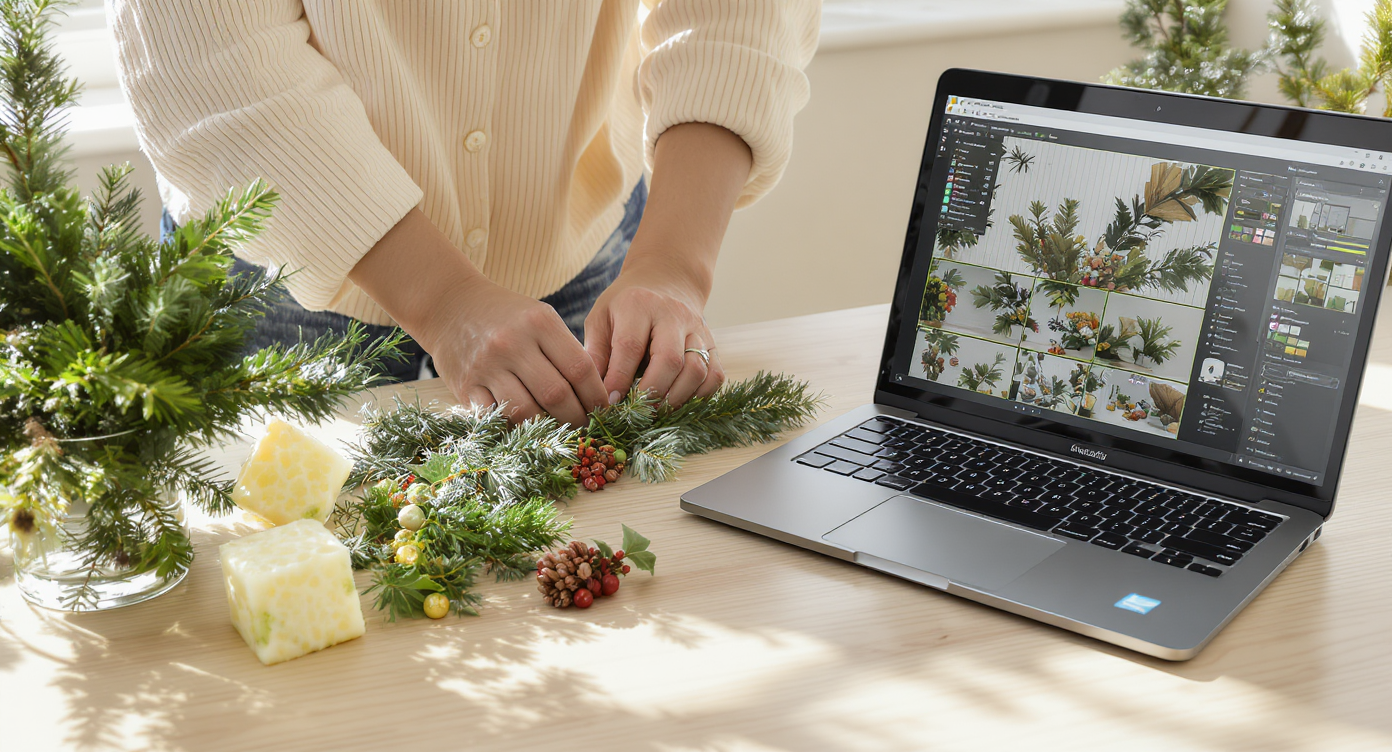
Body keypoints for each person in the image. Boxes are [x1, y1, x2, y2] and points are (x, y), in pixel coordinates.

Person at [110, 1, 820, 428]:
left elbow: (740, 12)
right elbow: (200, 45)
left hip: (575, 236)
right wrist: (443, 298)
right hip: (281, 261)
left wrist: (673, 266)